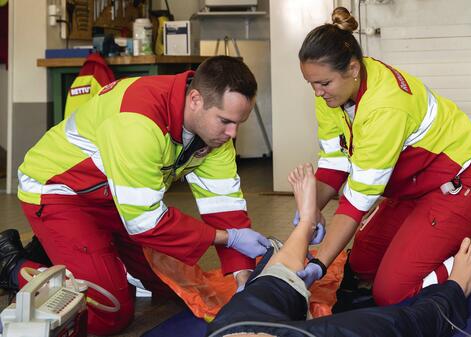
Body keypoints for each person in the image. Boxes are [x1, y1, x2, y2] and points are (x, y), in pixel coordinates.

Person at [0, 56, 270, 335]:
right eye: (225, 121)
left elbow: (223, 207)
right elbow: (146, 223)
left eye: (238, 123)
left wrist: (242, 276)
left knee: (174, 284)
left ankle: (61, 250)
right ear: (195, 100)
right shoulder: (138, 119)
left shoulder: (215, 136)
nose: (232, 133)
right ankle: (11, 263)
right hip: (62, 191)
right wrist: (229, 238)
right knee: (109, 309)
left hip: (112, 197)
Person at [294, 7, 471, 308]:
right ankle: (444, 238)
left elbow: (356, 202)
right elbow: (334, 162)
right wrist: (308, 213)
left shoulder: (385, 106)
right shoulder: (332, 93)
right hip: (413, 187)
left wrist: (319, 265)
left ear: (353, 69)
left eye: (323, 84)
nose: (317, 93)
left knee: (393, 292)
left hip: (458, 184)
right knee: (362, 266)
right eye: (311, 84)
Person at [207, 163, 471, 337]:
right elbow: (408, 324)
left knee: (272, 284)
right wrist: (454, 288)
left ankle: (305, 223)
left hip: (233, 330)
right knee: (393, 301)